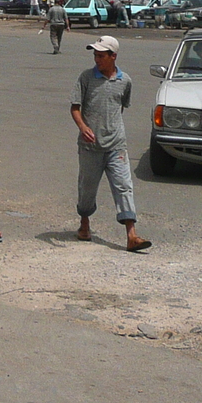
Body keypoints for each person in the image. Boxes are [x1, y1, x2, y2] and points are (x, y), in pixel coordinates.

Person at [70, 35, 150, 253]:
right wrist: (83, 127)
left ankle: (131, 235)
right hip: (90, 147)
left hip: (116, 145)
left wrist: (110, 128)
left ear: (113, 56)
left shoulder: (125, 81)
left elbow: (120, 107)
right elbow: (75, 107)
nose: (97, 59)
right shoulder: (86, 78)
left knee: (124, 187)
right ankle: (84, 224)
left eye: (101, 55)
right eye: (95, 55)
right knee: (87, 189)